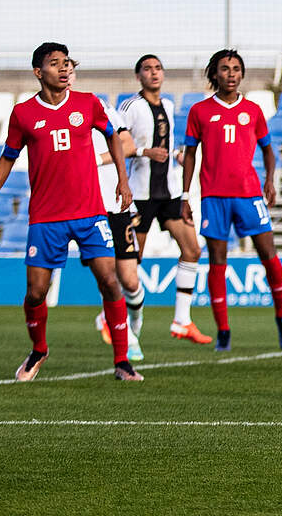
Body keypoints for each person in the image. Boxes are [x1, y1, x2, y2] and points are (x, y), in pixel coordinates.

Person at [0, 42, 143, 382]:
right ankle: (39, 349)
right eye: (55, 64)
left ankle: (123, 360)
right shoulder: (23, 114)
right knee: (36, 292)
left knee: (110, 282)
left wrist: (123, 182)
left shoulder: (88, 103)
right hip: (45, 217)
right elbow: (8, 156)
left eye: (67, 63)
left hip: (90, 213)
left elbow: (113, 137)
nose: (65, 68)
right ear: (39, 72)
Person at [181, 49, 282, 352]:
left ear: (241, 74)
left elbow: (268, 150)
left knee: (269, 255)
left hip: (248, 195)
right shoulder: (200, 111)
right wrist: (185, 195)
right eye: (225, 68)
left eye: (236, 69)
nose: (231, 74)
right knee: (217, 261)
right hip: (214, 197)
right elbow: (190, 154)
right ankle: (224, 332)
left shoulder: (253, 110)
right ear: (214, 74)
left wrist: (269, 180)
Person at [119, 54, 211, 345]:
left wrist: (177, 156)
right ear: (138, 77)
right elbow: (119, 144)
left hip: (169, 192)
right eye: (147, 69)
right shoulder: (131, 107)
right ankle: (113, 318)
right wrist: (145, 153)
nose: (154, 73)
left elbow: (164, 144)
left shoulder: (169, 105)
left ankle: (182, 320)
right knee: (133, 262)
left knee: (192, 249)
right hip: (142, 195)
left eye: (158, 68)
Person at [76, 62, 145, 362]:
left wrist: (93, 159)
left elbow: (127, 144)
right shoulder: (46, 116)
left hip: (115, 204)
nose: (65, 72)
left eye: (68, 66)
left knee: (130, 280)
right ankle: (127, 340)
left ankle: (133, 328)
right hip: (87, 208)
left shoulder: (96, 105)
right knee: (107, 277)